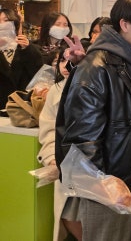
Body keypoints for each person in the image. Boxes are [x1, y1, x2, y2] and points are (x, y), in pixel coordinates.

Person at [55, 0, 131, 240]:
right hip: (109, 188)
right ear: (125, 25)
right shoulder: (96, 67)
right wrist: (102, 184)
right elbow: (83, 137)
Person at [37, 45, 81, 241]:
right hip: (64, 163)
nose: (65, 65)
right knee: (68, 215)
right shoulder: (55, 91)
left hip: (92, 163)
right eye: (61, 61)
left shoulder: (94, 86)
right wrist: (51, 157)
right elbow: (48, 130)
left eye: (70, 60)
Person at [0, 8, 43, 108]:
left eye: (6, 20)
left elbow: (38, 75)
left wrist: (27, 49)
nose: (2, 25)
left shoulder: (27, 48)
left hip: (23, 106)